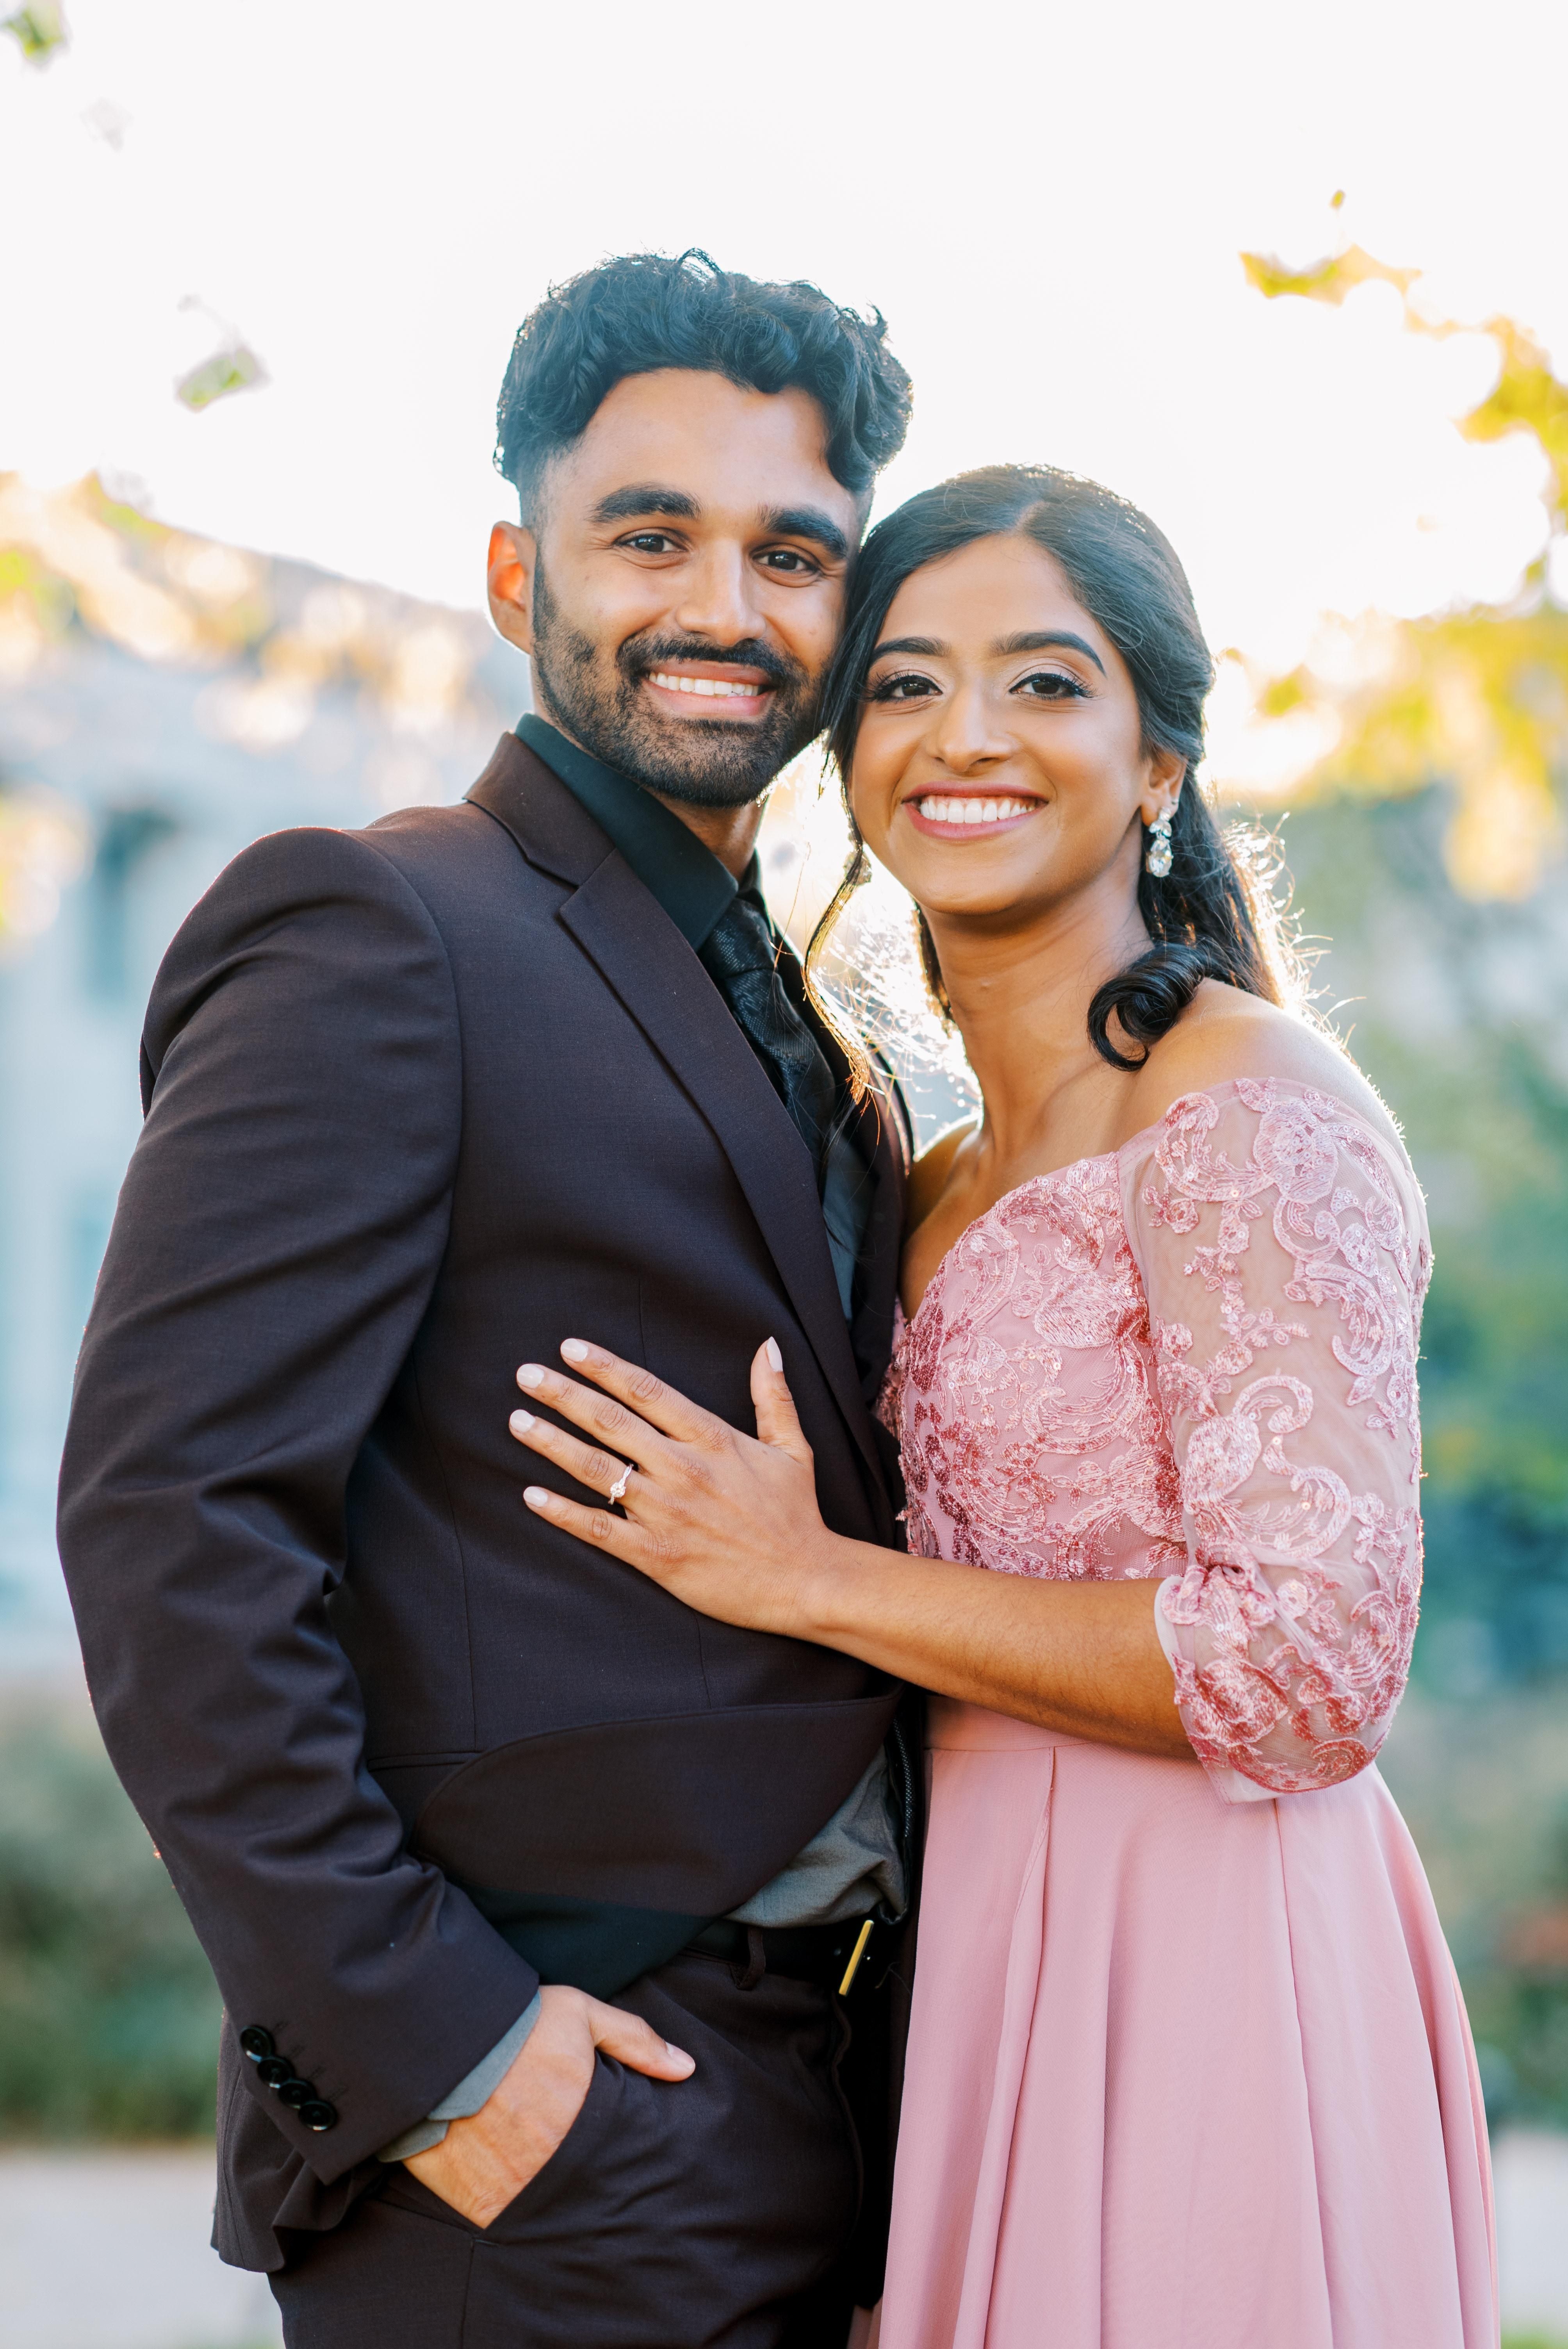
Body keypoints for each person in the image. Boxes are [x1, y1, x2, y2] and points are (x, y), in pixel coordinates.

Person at [503, 464, 1500, 2349]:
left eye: (1045, 682)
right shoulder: (929, 1163)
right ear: (847, 755)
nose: (966, 733)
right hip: (972, 1955)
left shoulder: (1240, 1106)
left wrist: (802, 1579)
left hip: (1210, 1954)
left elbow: (1309, 1662)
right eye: (903, 683)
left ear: (1156, 765)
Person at [57, 252, 919, 2347]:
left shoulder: (822, 1016)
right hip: (553, 2140)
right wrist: (434, 2054)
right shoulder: (377, 926)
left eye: (792, 550)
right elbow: (174, 1529)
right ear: (518, 574)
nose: (728, 601)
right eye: (653, 535)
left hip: (857, 2106)